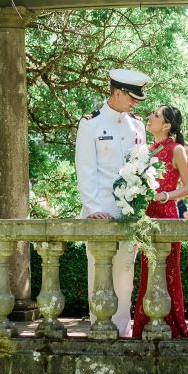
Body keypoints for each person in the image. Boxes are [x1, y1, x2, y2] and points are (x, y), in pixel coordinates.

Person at [75, 68, 149, 337]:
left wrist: (139, 205)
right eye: (132, 98)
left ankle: (123, 330)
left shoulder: (137, 125)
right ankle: (100, 328)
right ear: (117, 93)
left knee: (125, 276)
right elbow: (85, 169)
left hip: (129, 214)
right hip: (100, 211)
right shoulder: (91, 123)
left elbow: (140, 167)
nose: (135, 104)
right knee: (99, 275)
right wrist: (94, 208)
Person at [132, 105, 188, 339]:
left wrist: (166, 195)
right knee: (147, 272)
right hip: (146, 215)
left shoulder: (177, 150)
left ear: (166, 125)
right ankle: (144, 327)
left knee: (168, 271)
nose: (150, 117)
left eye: (156, 115)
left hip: (167, 214)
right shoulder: (146, 150)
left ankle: (172, 328)